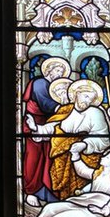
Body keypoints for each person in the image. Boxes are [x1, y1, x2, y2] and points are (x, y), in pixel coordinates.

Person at [26, 79, 110, 200]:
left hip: (85, 158)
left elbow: (103, 139)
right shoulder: (66, 110)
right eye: (86, 96)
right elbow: (56, 127)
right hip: (62, 158)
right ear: (76, 93)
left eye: (91, 99)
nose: (87, 101)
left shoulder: (96, 113)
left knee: (82, 193)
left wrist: (85, 145)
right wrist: (37, 128)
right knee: (64, 193)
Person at [22, 57, 72, 207]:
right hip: (33, 124)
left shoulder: (56, 87)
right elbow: (45, 103)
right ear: (49, 70)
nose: (60, 73)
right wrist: (60, 108)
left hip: (50, 126)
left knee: (49, 159)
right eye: (58, 70)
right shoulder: (39, 83)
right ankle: (30, 191)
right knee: (34, 158)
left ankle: (49, 193)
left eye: (62, 71)